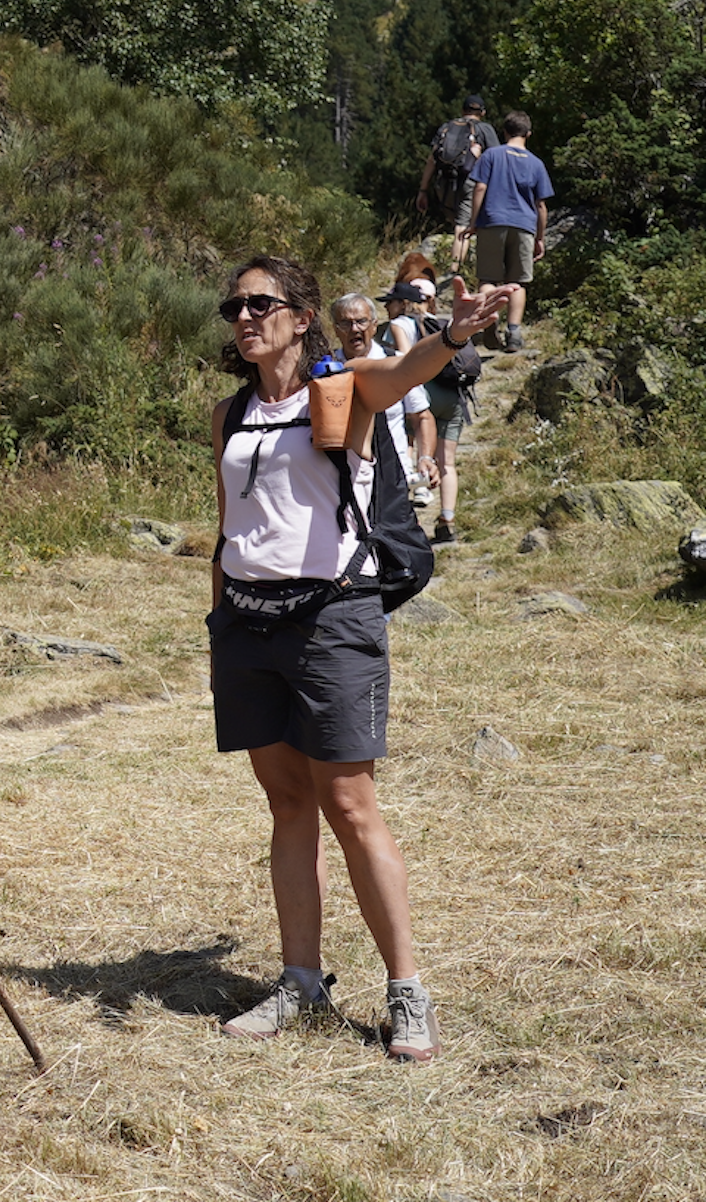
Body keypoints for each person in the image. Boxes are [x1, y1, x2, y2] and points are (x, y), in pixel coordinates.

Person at [210, 254, 514, 1061]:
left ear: (300, 315)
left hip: (330, 619)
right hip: (247, 624)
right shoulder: (230, 413)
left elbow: (405, 367)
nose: (243, 318)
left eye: (259, 304)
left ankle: (407, 990)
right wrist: (217, 619)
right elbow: (229, 523)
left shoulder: (342, 387)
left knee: (348, 803)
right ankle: (300, 979)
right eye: (233, 307)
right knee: (285, 804)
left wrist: (451, 333)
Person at [331, 292, 436, 508]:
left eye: (361, 321)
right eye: (345, 323)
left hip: (392, 476)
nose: (355, 329)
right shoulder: (326, 369)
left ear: (374, 326)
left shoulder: (397, 363)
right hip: (337, 477)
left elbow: (422, 417)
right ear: (335, 329)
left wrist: (425, 457)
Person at [460, 110, 554, 353]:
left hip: (492, 221)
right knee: (517, 282)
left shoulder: (492, 155)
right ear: (528, 134)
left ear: (504, 131)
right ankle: (514, 332)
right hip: (523, 225)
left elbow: (480, 188)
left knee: (488, 279)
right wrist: (540, 237)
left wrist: (473, 222)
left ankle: (489, 322)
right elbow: (541, 205)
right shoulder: (536, 163)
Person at [379, 281, 462, 545]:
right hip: (450, 394)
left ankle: (418, 496)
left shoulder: (400, 324)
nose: (386, 308)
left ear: (401, 303)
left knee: (411, 441)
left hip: (421, 394)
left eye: (389, 302)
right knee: (447, 461)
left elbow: (406, 359)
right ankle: (447, 520)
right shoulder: (437, 322)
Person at [415, 95, 499, 275]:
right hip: (470, 183)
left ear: (463, 110)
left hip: (443, 183)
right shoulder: (484, 129)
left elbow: (432, 159)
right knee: (463, 227)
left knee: (457, 223)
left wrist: (423, 190)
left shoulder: (446, 127)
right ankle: (455, 271)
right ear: (482, 112)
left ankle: (460, 261)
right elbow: (496, 159)